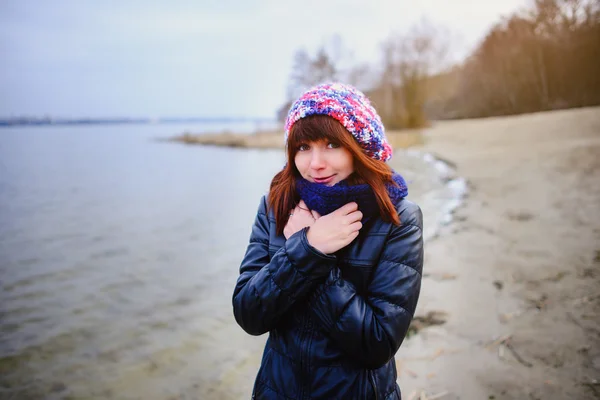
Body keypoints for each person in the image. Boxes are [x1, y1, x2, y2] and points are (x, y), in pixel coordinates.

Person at [232, 82, 423, 400]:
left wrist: (312, 254)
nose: (315, 163)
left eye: (331, 145)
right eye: (303, 147)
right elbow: (249, 314)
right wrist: (306, 249)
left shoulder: (397, 218)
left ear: (360, 147)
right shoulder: (276, 205)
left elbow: (378, 344)